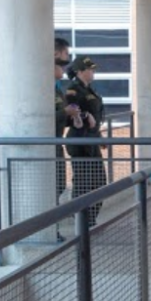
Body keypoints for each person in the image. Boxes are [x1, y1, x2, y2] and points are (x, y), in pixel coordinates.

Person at [63, 56, 106, 226]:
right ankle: (82, 219)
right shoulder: (73, 90)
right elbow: (71, 111)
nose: (93, 72)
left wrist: (99, 136)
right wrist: (85, 115)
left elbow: (96, 116)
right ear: (79, 72)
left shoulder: (89, 90)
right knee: (83, 182)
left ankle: (90, 217)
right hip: (80, 141)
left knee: (99, 181)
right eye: (90, 69)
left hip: (91, 140)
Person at [54, 56, 72, 203]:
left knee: (60, 184)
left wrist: (74, 117)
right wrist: (65, 112)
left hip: (58, 141)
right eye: (60, 66)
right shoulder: (43, 90)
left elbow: (62, 118)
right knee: (54, 184)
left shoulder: (58, 90)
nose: (63, 69)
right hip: (48, 143)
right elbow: (44, 118)